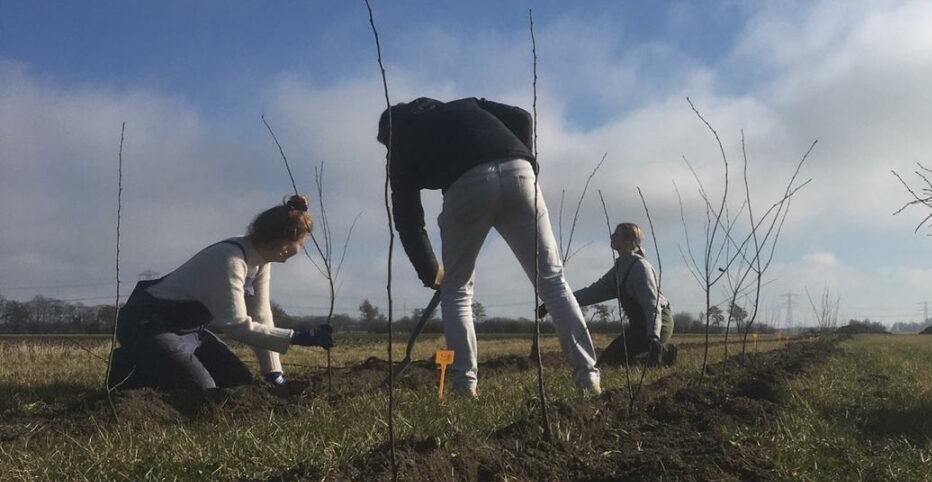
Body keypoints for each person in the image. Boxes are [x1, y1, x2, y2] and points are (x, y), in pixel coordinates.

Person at [378, 97, 601, 396]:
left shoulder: (402, 142)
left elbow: (408, 220)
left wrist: (431, 273)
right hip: (519, 172)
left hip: (465, 186)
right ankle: (589, 379)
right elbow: (522, 117)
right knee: (553, 282)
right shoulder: (466, 105)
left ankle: (464, 387)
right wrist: (525, 165)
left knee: (456, 291)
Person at [107, 195, 333, 393]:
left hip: (190, 331)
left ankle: (161, 361)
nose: (301, 249)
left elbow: (260, 316)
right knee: (202, 390)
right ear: (284, 243)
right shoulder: (231, 260)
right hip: (148, 326)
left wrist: (273, 373)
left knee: (239, 382)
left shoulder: (261, 259)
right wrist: (299, 338)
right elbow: (236, 325)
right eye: (301, 243)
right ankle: (129, 365)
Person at [567, 222, 675, 367]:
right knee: (605, 363)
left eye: (616, 234)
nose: (611, 236)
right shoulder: (619, 268)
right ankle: (652, 359)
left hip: (657, 325)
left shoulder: (640, 268)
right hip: (639, 327)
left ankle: (662, 358)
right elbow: (593, 292)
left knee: (617, 364)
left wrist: (654, 336)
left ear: (629, 240)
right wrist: (558, 301)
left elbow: (652, 307)